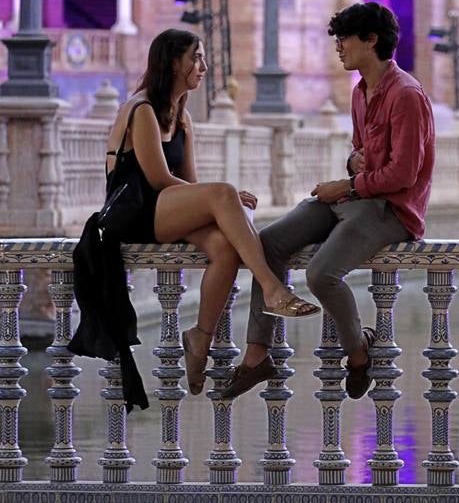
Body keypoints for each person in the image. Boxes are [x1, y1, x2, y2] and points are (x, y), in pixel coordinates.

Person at [220, 2, 435, 401]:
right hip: (357, 195)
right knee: (266, 244)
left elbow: (403, 175)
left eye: (344, 39)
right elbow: (361, 154)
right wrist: (353, 170)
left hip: (392, 210)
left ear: (371, 40)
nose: (338, 48)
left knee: (321, 275)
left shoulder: (406, 95)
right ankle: (256, 355)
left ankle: (358, 353)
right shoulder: (360, 92)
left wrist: (348, 185)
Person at [102, 28, 320, 397]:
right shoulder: (141, 110)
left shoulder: (182, 117)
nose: (203, 66)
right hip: (131, 211)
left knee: (223, 247)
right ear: (173, 63)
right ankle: (271, 288)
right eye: (196, 58)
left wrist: (225, 203)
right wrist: (225, 197)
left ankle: (200, 338)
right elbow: (157, 178)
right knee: (223, 195)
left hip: (163, 209)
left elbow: (188, 183)